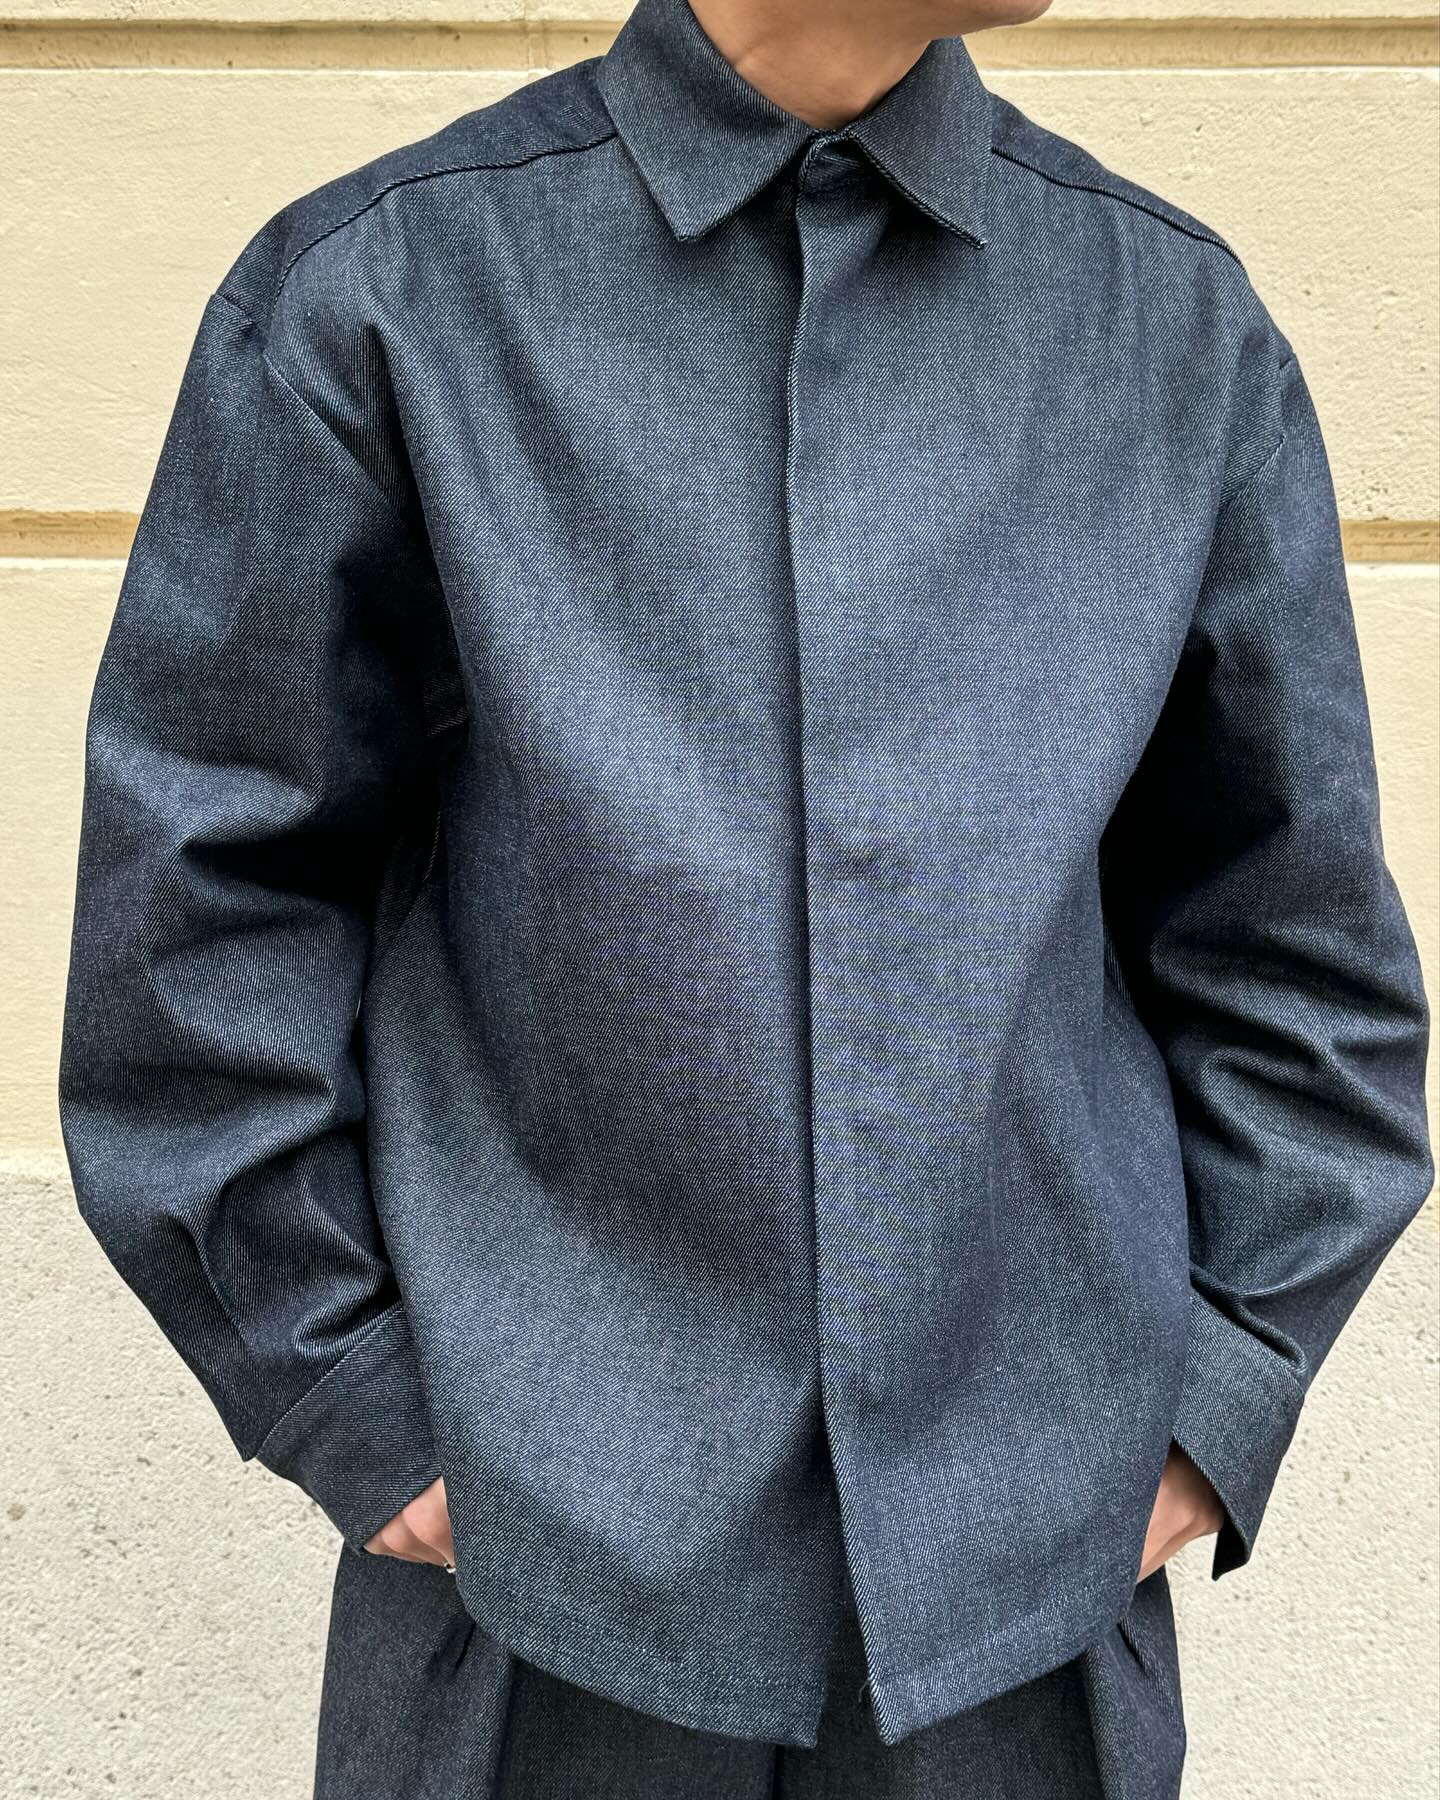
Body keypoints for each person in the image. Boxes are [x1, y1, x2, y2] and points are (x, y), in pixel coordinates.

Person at [57, 0, 1433, 1793]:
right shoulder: (389, 297)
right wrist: (349, 1395)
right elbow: (203, 904)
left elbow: (1295, 948)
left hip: (1024, 1607)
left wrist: (1216, 1394)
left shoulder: (1169, 328)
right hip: (535, 1597)